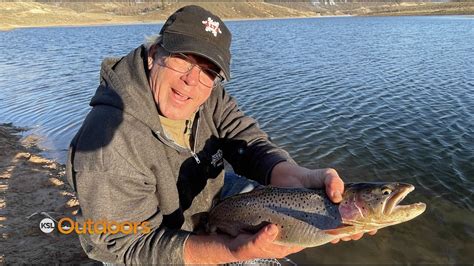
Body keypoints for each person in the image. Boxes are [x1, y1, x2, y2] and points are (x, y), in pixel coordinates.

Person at [66, 5, 375, 264]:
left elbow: (245, 139)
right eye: (183, 59)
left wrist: (292, 176)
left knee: (265, 194)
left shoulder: (208, 93)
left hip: (204, 203)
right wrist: (227, 250)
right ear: (154, 53)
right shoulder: (108, 144)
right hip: (138, 238)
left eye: (208, 70)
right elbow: (126, 243)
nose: (192, 80)